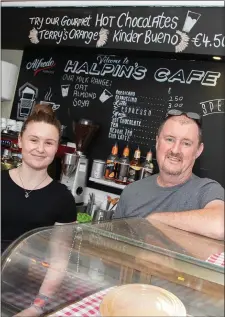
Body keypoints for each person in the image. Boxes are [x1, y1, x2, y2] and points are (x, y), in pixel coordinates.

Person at [1, 103, 77, 316]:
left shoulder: (63, 199)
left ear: (57, 148)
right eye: (33, 140)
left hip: (21, 294)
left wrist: (36, 307)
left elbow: (59, 261)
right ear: (20, 141)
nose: (40, 149)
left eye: (49, 143)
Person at [114, 109, 224, 241]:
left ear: (198, 151)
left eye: (186, 143)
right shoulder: (131, 191)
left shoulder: (207, 190)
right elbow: (112, 246)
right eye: (170, 139)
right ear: (157, 142)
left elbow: (220, 226)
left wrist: (155, 220)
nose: (175, 150)